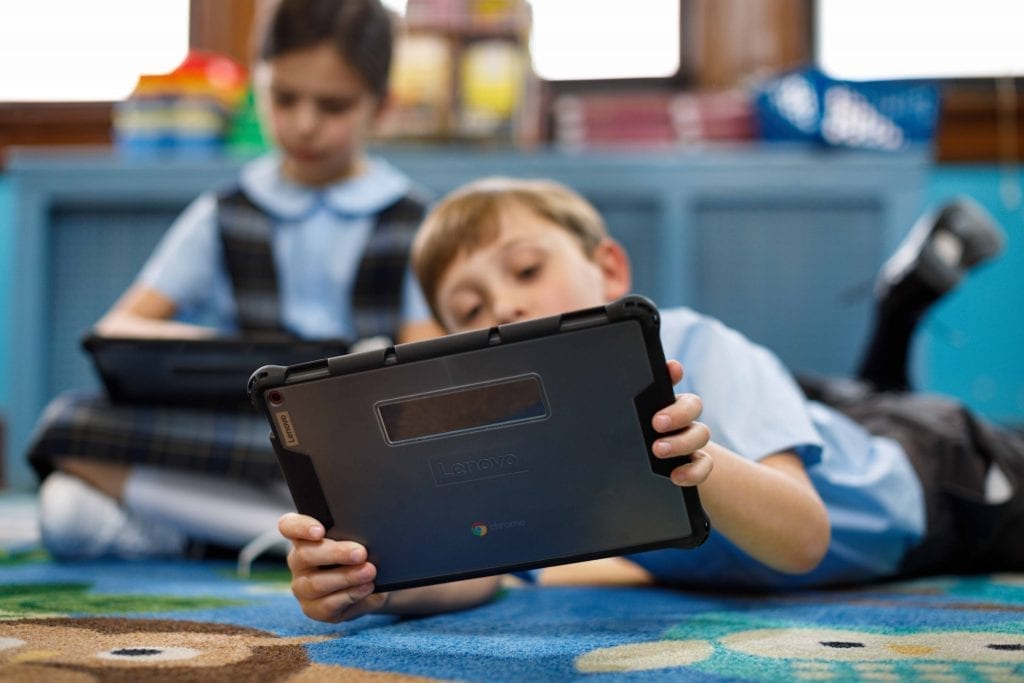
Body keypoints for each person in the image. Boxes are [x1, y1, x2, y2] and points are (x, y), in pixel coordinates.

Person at [278, 177, 1022, 624]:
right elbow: (489, 572)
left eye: (527, 269)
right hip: (837, 429)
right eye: (467, 310)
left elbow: (802, 539)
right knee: (839, 401)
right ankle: (891, 325)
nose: (500, 308)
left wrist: (702, 465)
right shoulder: (516, 433)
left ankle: (897, 314)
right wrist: (374, 585)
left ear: (609, 269)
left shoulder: (697, 345)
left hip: (939, 474)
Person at [30, 0, 441, 560]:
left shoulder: (412, 219)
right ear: (258, 86)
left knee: (406, 457)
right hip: (242, 435)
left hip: (349, 448)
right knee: (66, 467)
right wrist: (227, 355)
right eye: (284, 97)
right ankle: (324, 538)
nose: (304, 123)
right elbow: (120, 329)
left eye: (333, 105)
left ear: (383, 106)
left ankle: (212, 528)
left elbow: (425, 366)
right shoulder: (223, 211)